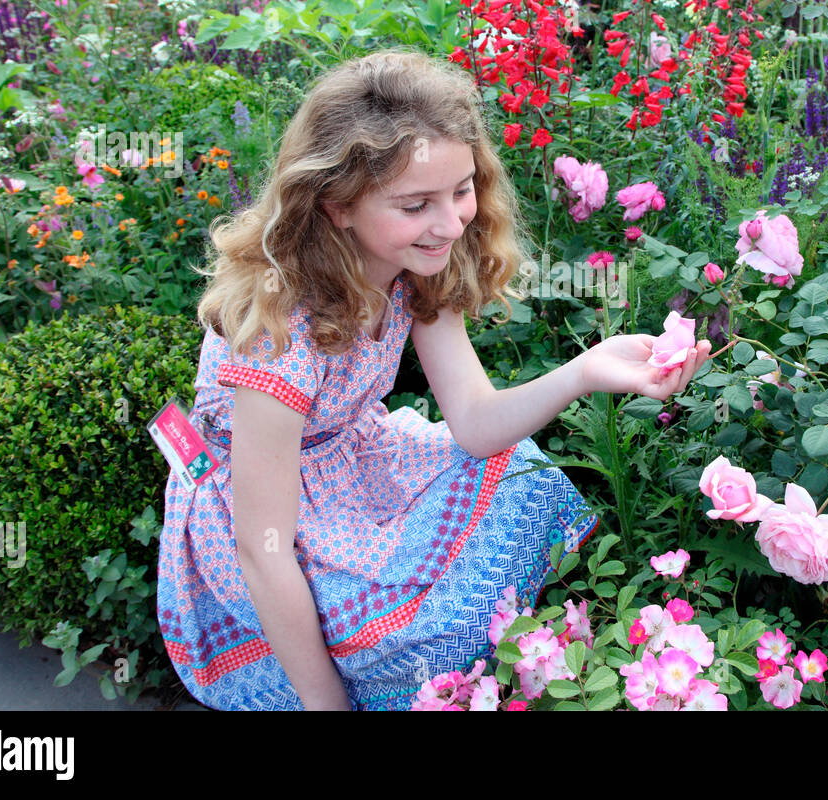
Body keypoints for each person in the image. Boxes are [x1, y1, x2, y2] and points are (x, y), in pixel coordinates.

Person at [156, 49, 712, 711]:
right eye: (416, 203)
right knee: (396, 632)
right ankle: (373, 680)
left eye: (461, 189)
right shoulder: (278, 332)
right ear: (337, 204)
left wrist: (584, 371)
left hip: (352, 461)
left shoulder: (417, 264)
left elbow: (475, 423)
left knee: (520, 474)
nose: (451, 223)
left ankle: (448, 665)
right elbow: (262, 549)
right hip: (265, 518)